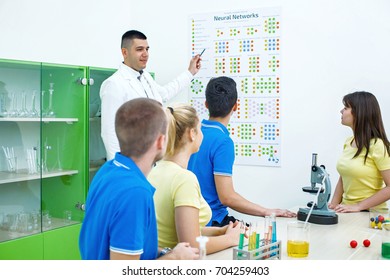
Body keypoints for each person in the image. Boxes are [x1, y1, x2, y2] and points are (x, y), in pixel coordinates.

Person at [79, 98, 199, 260]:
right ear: (160, 141)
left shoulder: (108, 171)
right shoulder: (135, 192)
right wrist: (175, 258)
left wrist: (167, 252)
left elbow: (127, 243)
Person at [188, 76, 296, 227]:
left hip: (190, 220)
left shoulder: (193, 133)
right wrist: (266, 211)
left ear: (206, 104)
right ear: (235, 106)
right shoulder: (223, 142)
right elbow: (227, 197)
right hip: (212, 222)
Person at [148, 104, 242, 254]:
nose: (202, 134)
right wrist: (230, 239)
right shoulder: (184, 179)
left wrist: (219, 232)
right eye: (200, 129)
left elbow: (176, 229)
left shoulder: (155, 169)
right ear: (192, 133)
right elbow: (191, 245)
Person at [100, 30, 202, 160]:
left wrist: (190, 73)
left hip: (151, 158)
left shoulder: (145, 77)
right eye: (139, 49)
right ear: (124, 52)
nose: (145, 54)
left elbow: (164, 94)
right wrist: (120, 168)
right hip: (132, 161)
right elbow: (109, 133)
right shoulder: (114, 84)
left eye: (147, 49)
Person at [329, 91, 390, 213]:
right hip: (347, 211)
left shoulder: (378, 145)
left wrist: (359, 206)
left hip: (370, 215)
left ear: (359, 113)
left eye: (346, 108)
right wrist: (332, 206)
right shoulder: (348, 142)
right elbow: (344, 177)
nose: (341, 111)